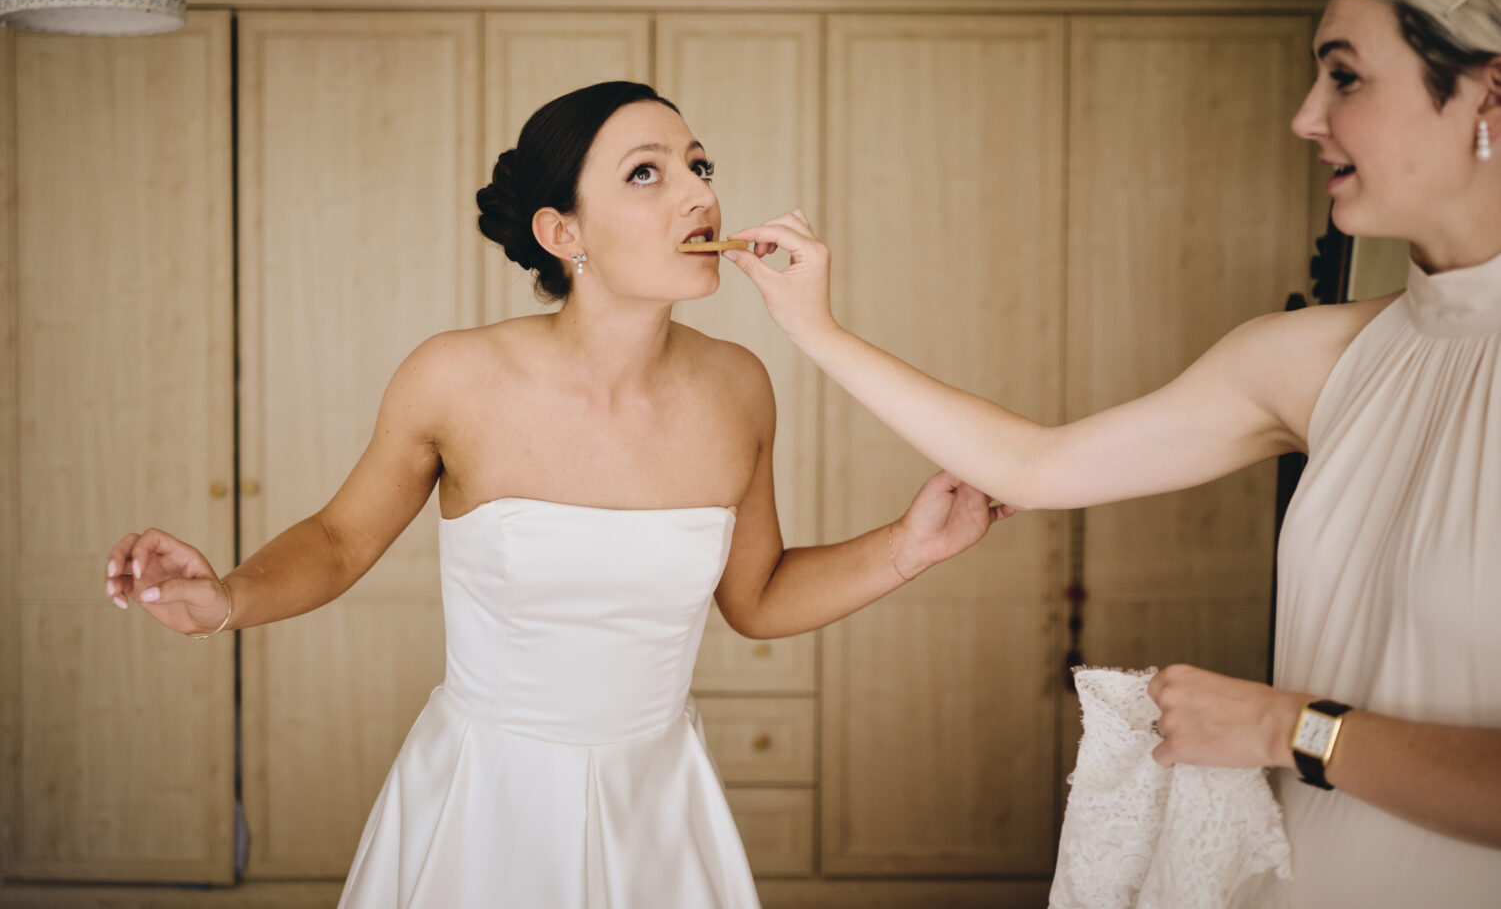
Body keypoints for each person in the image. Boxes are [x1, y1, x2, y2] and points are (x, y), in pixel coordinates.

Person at [720, 0, 1501, 904]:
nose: (1305, 117)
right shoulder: (1309, 357)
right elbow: (1033, 467)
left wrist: (1290, 729)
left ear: (1489, 89)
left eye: (1344, 77)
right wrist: (814, 328)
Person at [102, 81, 1009, 908]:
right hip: (485, 800)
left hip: (658, 804)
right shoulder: (453, 376)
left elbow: (758, 599)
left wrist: (910, 545)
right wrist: (227, 599)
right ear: (561, 233)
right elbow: (339, 542)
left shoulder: (740, 386)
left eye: (699, 166)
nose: (698, 194)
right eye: (647, 173)